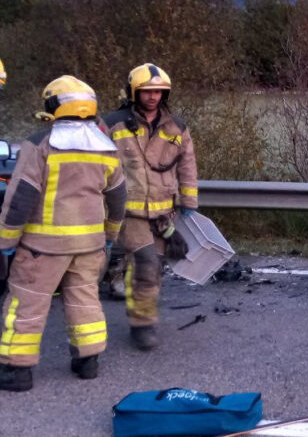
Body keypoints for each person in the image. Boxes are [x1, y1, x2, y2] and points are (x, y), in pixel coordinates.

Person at [0, 76, 127, 391]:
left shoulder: (40, 144)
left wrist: (5, 241)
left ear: (52, 106)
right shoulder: (106, 147)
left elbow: (20, 200)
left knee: (26, 304)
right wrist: (110, 235)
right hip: (89, 246)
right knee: (84, 301)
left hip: (42, 247)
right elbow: (119, 198)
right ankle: (88, 362)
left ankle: (17, 371)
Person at [102, 63, 198, 351]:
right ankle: (143, 325)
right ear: (134, 92)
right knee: (147, 261)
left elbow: (187, 166)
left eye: (158, 91)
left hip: (161, 214)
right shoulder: (112, 124)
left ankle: (141, 311)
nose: (153, 96)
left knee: (152, 270)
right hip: (127, 212)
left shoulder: (176, 127)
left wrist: (188, 203)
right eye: (147, 91)